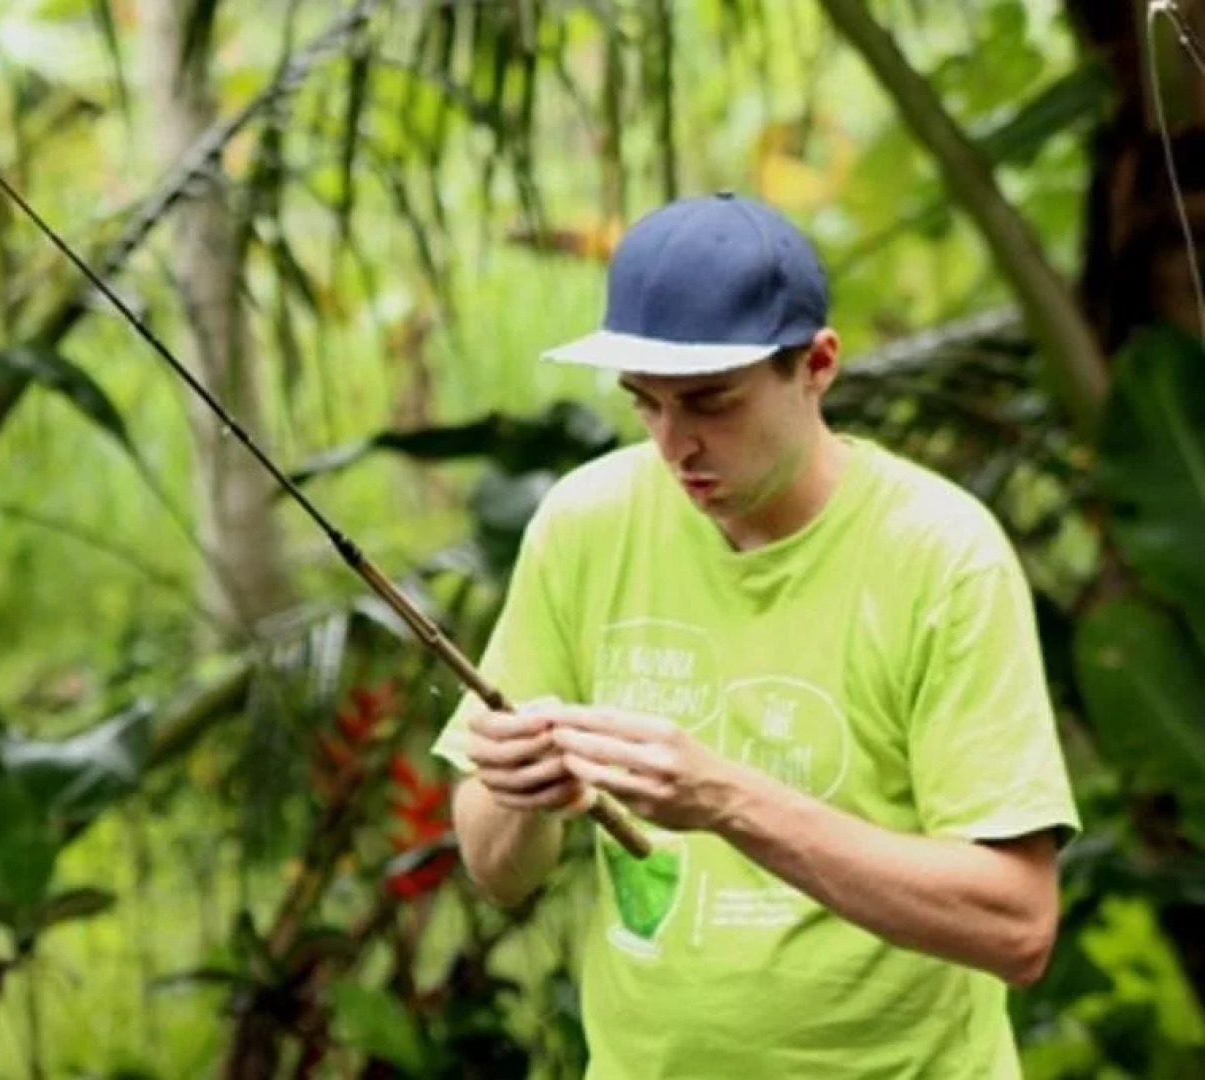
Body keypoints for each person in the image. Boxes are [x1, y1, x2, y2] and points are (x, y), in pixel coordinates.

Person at [430, 192, 1079, 1078]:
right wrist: (517, 791)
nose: (675, 445)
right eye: (645, 404)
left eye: (710, 403)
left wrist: (724, 799)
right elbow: (499, 872)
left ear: (815, 365)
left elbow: (1018, 926)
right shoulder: (585, 520)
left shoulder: (942, 555)